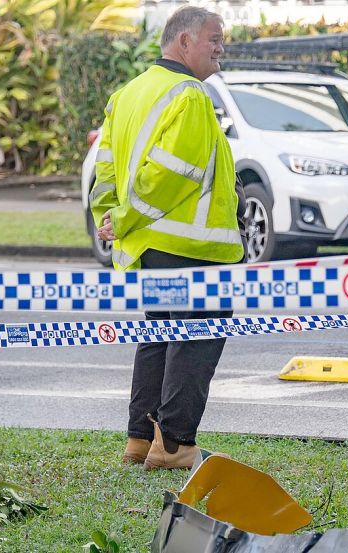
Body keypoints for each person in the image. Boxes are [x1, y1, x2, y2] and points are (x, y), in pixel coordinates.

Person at [89, 6, 244, 470]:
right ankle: (175, 444)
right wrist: (128, 215)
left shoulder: (127, 94)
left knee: (159, 335)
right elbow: (175, 174)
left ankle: (142, 439)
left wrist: (113, 217)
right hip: (194, 247)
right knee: (195, 337)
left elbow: (106, 171)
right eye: (214, 39)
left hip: (151, 248)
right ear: (184, 42)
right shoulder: (190, 95)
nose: (221, 48)